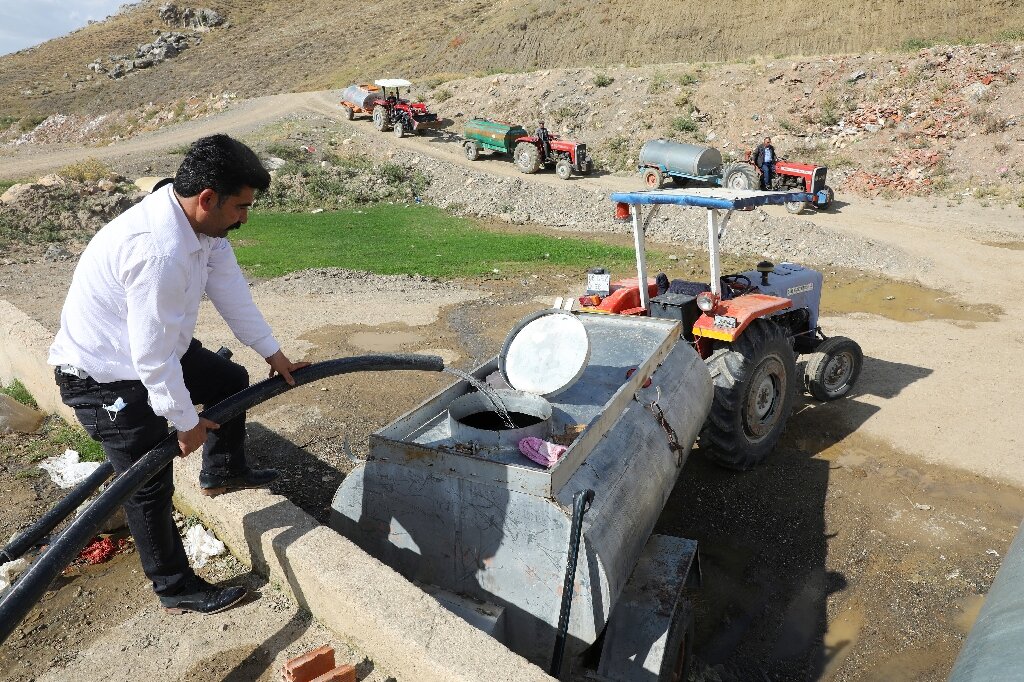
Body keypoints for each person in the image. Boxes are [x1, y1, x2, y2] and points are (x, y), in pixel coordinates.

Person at [48, 134, 308, 615]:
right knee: (147, 483)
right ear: (207, 198)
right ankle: (175, 587)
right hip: (102, 376)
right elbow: (152, 357)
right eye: (241, 206)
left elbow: (231, 292)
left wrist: (275, 354)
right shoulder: (158, 250)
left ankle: (223, 470)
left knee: (230, 382)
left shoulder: (202, 229)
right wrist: (184, 421)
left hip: (153, 352)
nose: (244, 217)